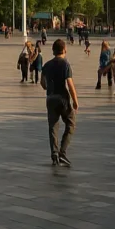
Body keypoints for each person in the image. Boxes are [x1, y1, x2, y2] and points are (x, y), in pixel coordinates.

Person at [40, 39, 78, 167]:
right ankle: (62, 152)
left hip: (50, 98)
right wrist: (75, 100)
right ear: (64, 50)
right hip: (62, 98)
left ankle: (54, 154)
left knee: (53, 127)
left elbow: (42, 83)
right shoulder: (65, 64)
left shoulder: (47, 65)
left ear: (53, 51)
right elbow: (70, 84)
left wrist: (49, 88)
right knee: (71, 124)